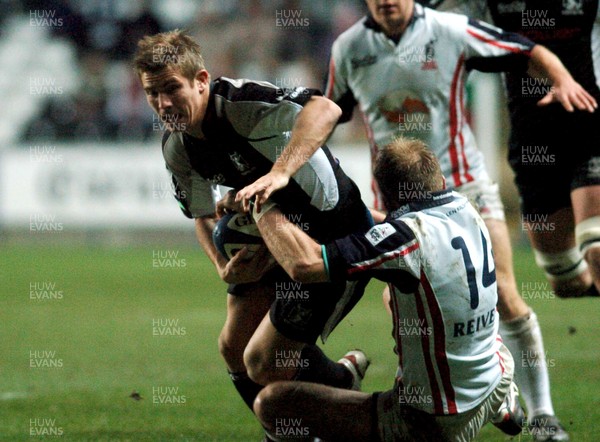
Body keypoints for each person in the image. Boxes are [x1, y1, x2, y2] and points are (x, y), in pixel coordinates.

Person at [320, 1, 598, 439]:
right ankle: (489, 395)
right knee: (405, 310)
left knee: (503, 293)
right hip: (396, 205)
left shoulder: (450, 30)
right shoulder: (349, 47)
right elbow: (329, 112)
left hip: (462, 190)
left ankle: (543, 416)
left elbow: (526, 51)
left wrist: (561, 78)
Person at [133, 29, 373, 439]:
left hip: (329, 238)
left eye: (172, 88)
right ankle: (286, 431)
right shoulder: (177, 147)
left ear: (202, 80)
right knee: (233, 349)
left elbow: (327, 109)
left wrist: (279, 173)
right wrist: (223, 266)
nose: (163, 103)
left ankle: (346, 392)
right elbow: (203, 214)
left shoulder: (243, 103)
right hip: (268, 234)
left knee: (265, 363)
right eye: (153, 93)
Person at [247, 137, 524, 441]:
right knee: (397, 293)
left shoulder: (406, 239)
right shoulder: (466, 208)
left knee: (273, 404)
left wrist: (262, 205)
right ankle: (501, 402)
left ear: (385, 196)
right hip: (497, 371)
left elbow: (306, 265)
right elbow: (387, 227)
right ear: (440, 180)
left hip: (436, 420)